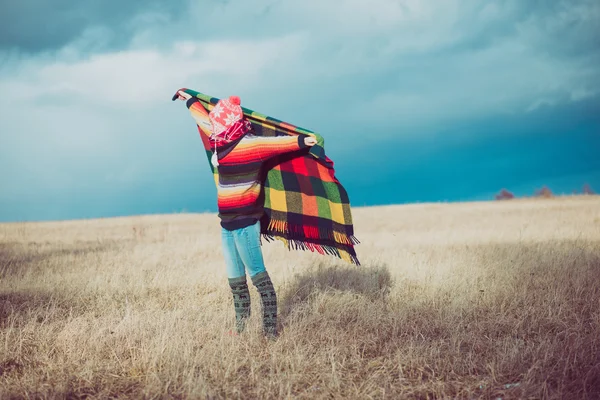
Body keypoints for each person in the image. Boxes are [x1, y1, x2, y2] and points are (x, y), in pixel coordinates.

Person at [176, 90, 317, 338]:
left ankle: (270, 330)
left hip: (246, 226)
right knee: (235, 281)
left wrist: (304, 141)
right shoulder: (218, 138)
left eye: (219, 122)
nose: (215, 126)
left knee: (258, 277)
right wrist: (187, 98)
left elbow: (278, 144)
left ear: (229, 123)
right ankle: (241, 329)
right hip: (226, 227)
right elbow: (202, 118)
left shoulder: (252, 145)